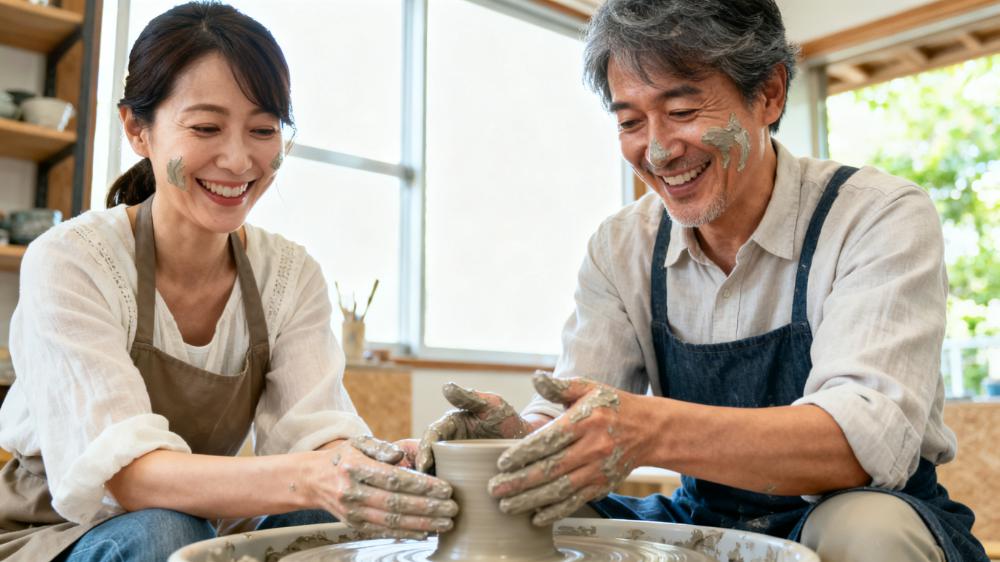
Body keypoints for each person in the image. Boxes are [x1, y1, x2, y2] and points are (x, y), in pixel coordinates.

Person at [415, 1, 989, 560]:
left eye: (684, 112)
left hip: (859, 509)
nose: (659, 151)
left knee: (865, 530)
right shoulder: (622, 245)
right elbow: (580, 407)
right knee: (531, 520)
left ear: (769, 94)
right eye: (631, 122)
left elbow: (861, 443)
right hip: (706, 518)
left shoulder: (876, 215)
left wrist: (650, 430)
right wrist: (515, 440)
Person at [0, 4, 456, 561]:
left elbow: (314, 437)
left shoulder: (287, 275)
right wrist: (314, 476)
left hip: (196, 528)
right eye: (206, 128)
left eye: (263, 129)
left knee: (328, 517)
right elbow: (129, 479)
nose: (239, 160)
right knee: (166, 532)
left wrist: (378, 463)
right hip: (59, 532)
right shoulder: (72, 260)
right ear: (137, 129)